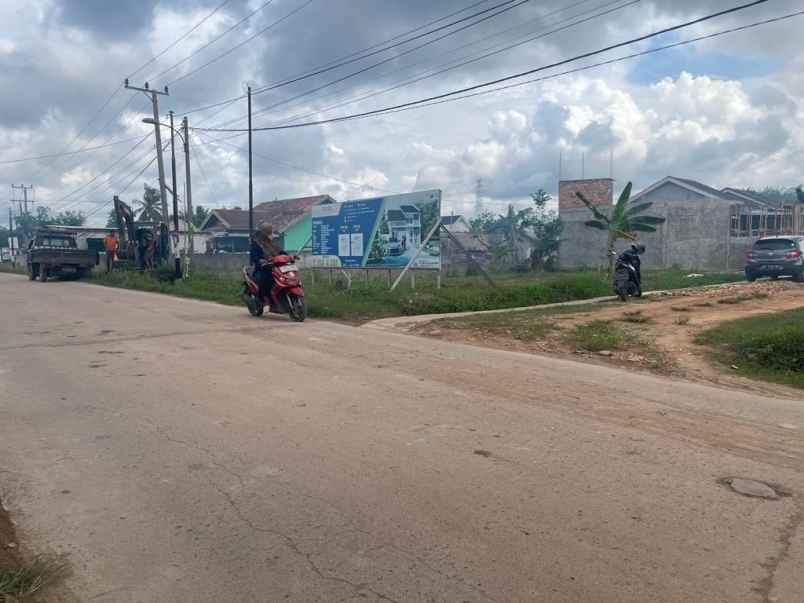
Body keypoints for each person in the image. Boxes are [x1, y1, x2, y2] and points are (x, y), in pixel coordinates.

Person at [250, 223, 284, 299]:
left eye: (271, 232)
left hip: (275, 266)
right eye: (269, 232)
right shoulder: (256, 244)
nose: (271, 234)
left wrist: (290, 256)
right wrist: (260, 261)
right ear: (264, 234)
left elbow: (280, 251)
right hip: (262, 268)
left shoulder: (271, 243)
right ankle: (263, 298)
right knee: (266, 280)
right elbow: (254, 256)